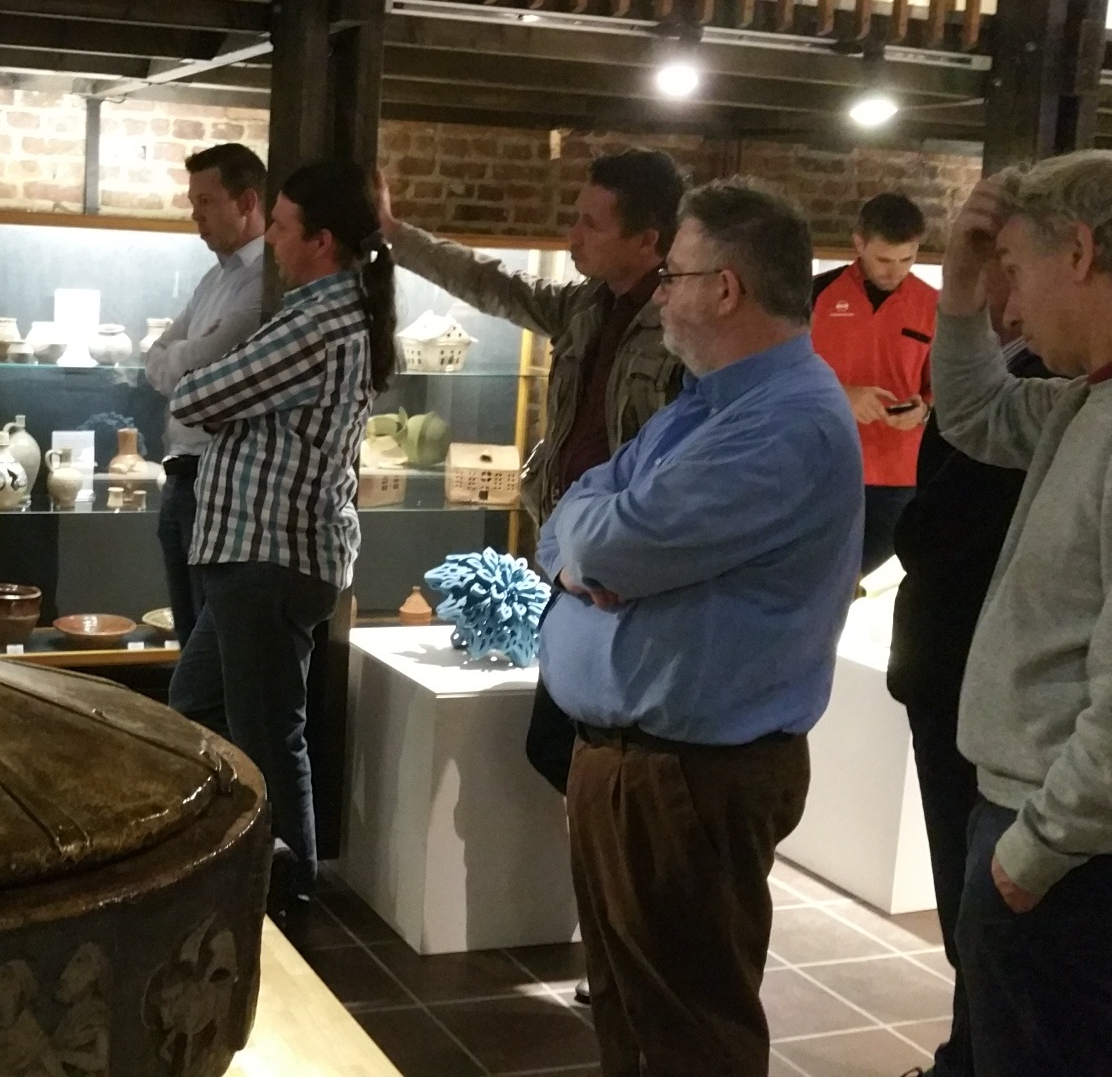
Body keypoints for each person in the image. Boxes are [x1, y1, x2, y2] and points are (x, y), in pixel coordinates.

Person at [536, 179, 862, 1073]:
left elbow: (612, 542)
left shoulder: (784, 425)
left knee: (688, 1036)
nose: (659, 296)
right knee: (634, 1023)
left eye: (673, 276)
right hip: (641, 767)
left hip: (688, 778)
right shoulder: (710, 404)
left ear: (726, 288)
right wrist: (583, 549)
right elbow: (573, 512)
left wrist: (589, 549)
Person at [935, 151, 1112, 1075]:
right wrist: (962, 284)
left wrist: (1039, 850)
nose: (1010, 309)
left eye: (1016, 271)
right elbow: (975, 412)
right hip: (1065, 827)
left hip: (1090, 848)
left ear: (1081, 254)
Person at [376, 149, 687, 798]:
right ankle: (597, 851)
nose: (572, 236)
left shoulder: (684, 325)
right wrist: (395, 235)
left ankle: (612, 852)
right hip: (571, 557)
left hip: (626, 572)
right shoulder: (587, 305)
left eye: (591, 224)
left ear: (647, 240)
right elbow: (493, 283)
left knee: (600, 751)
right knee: (559, 747)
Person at [169, 158, 393, 925]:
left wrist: (210, 385)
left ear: (321, 241)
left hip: (269, 552)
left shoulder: (317, 320)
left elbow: (195, 393)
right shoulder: (332, 313)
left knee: (270, 734)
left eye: (284, 226)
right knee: (198, 700)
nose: (271, 238)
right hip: (264, 553)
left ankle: (287, 897)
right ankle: (239, 866)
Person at [885, 260, 1052, 1077]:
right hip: (952, 667)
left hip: (976, 672)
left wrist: (911, 537)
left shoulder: (1051, 381)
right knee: (968, 905)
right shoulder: (1017, 373)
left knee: (984, 907)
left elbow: (944, 526)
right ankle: (965, 1056)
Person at [143, 143, 268, 645]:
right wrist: (186, 357)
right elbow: (157, 360)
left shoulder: (265, 283)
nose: (196, 216)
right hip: (180, 478)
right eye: (193, 203)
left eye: (206, 201)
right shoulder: (213, 280)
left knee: (211, 647)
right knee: (189, 636)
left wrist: (182, 357)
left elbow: (207, 362)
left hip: (220, 482)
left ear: (247, 202)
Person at [811, 193, 939, 576]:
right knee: (814, 580)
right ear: (859, 243)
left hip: (898, 473)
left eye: (907, 259)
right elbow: (779, 375)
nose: (894, 271)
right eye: (884, 259)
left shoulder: (934, 305)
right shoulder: (813, 295)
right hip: (821, 464)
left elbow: (946, 389)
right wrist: (841, 396)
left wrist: (923, 410)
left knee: (845, 579)